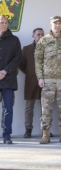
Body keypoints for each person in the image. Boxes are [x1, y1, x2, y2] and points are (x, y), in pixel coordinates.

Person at [35, 16, 61, 144]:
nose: (57, 25)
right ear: (50, 24)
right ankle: (45, 135)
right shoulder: (43, 40)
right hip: (48, 79)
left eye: (59, 23)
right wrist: (40, 77)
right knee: (46, 108)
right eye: (55, 23)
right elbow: (38, 60)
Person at [19, 27, 44, 138]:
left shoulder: (48, 48)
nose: (40, 36)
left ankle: (45, 130)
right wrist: (30, 73)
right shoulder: (26, 49)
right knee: (29, 107)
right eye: (38, 34)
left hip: (45, 81)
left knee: (45, 107)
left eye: (42, 34)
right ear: (33, 36)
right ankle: (28, 130)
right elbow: (21, 64)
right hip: (31, 81)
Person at [0, 15, 22, 144]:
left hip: (8, 80)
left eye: (4, 22)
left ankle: (7, 135)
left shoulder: (14, 40)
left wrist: (4, 71)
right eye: (0, 22)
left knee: (8, 109)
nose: (2, 24)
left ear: (8, 24)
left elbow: (17, 58)